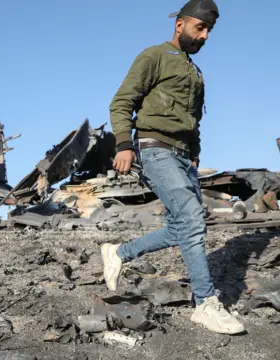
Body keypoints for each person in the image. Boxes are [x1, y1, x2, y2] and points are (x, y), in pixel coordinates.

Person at [101, 0, 245, 334]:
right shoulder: (154, 56)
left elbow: (193, 119)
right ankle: (206, 303)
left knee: (186, 225)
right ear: (180, 24)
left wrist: (195, 152)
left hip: (183, 156)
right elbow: (122, 102)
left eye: (209, 31)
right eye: (200, 28)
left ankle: (119, 252)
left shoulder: (195, 71)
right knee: (192, 220)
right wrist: (124, 144)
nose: (205, 36)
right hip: (155, 148)